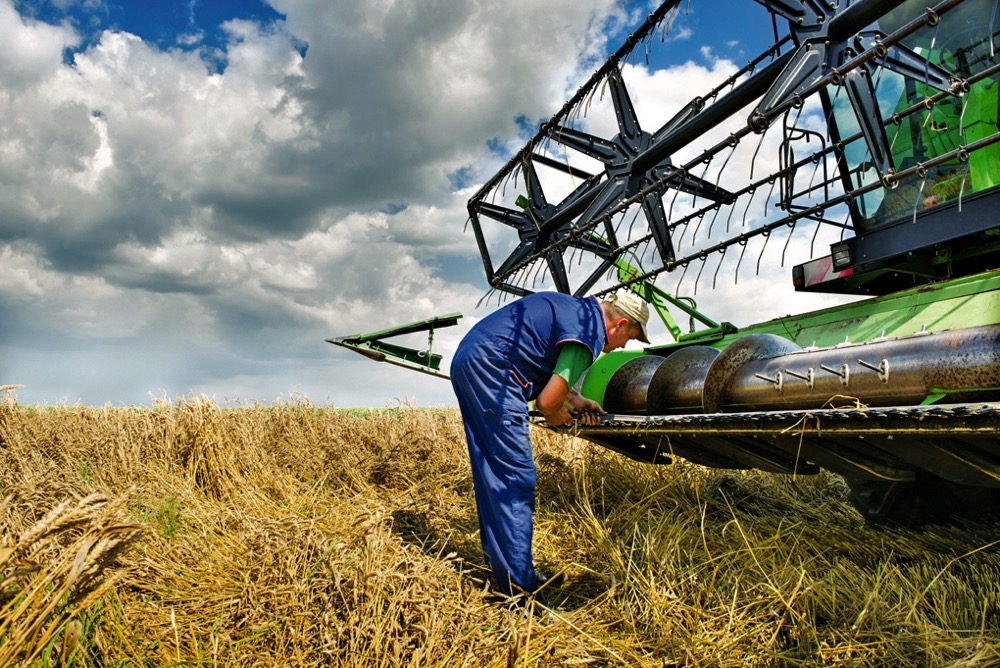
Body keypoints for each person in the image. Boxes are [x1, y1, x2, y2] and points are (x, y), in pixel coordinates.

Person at [450, 290, 650, 601]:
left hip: (473, 358)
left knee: (494, 474)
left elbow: (539, 358)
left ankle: (508, 571)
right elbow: (546, 402)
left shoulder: (575, 311)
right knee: (515, 477)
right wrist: (558, 413)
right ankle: (520, 593)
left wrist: (574, 399)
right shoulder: (589, 332)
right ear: (620, 324)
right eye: (630, 338)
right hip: (494, 370)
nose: (623, 346)